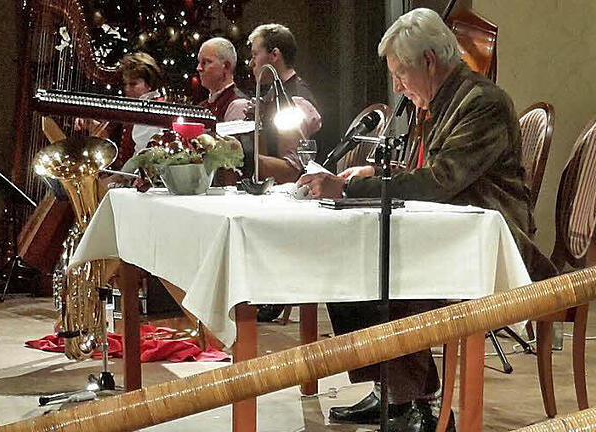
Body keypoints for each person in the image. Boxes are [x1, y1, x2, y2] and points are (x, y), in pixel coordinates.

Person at [297, 8, 556, 431]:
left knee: (382, 275)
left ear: (430, 61)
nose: (397, 86)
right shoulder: (441, 101)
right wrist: (375, 175)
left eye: (400, 73)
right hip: (449, 238)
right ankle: (393, 395)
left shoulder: (483, 103)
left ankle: (420, 404)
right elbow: (434, 173)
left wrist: (347, 189)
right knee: (347, 266)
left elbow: (441, 181)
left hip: (495, 247)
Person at [247, 24, 322, 183]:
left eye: (255, 55)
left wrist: (243, 157)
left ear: (274, 54)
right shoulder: (272, 94)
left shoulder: (296, 101)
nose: (251, 63)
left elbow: (292, 171)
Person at [75, 52, 164, 171]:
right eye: (125, 84)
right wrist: (91, 124)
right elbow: (108, 137)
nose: (127, 89)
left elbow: (141, 158)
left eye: (133, 84)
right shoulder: (135, 106)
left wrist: (118, 178)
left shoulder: (151, 109)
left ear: (149, 84)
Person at [197, 37, 248, 122]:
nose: (199, 68)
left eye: (205, 62)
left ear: (226, 66)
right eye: (199, 62)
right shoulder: (203, 106)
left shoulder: (238, 105)